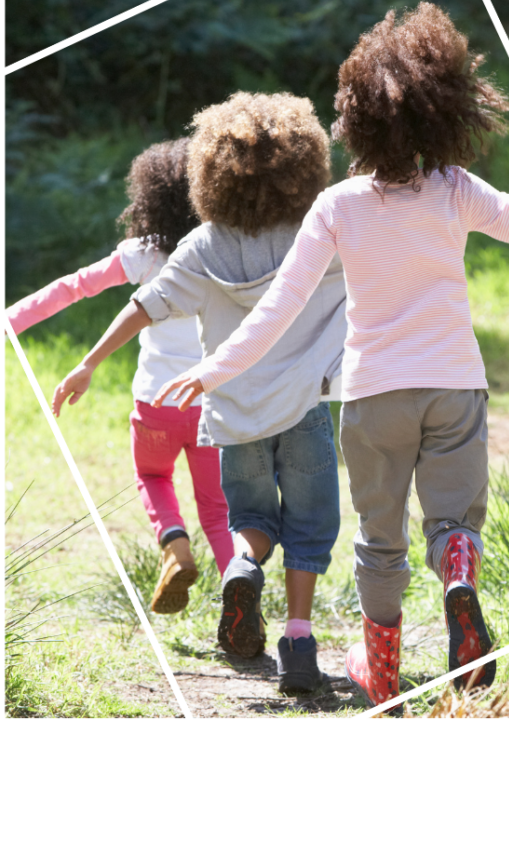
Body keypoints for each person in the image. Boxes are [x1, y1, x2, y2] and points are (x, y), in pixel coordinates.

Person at [152, 3, 509, 714]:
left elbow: (278, 307)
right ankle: (459, 573)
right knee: (454, 522)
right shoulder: (456, 193)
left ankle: (381, 676)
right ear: (444, 111)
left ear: (354, 118)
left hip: (376, 397)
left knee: (380, 543)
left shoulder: (337, 207)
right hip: (455, 389)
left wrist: (216, 368)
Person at [52, 92, 347, 695]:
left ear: (209, 172)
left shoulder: (203, 245)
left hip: (233, 415)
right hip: (304, 410)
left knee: (253, 519)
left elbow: (143, 305)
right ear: (303, 164)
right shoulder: (315, 234)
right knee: (310, 528)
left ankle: (241, 568)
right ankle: (297, 642)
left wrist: (86, 363)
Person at [5, 138, 234, 614]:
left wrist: (12, 320)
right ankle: (240, 596)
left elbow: (72, 288)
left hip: (156, 404)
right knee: (217, 509)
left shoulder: (145, 254)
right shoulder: (224, 251)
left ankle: (174, 546)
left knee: (152, 474)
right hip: (213, 404)